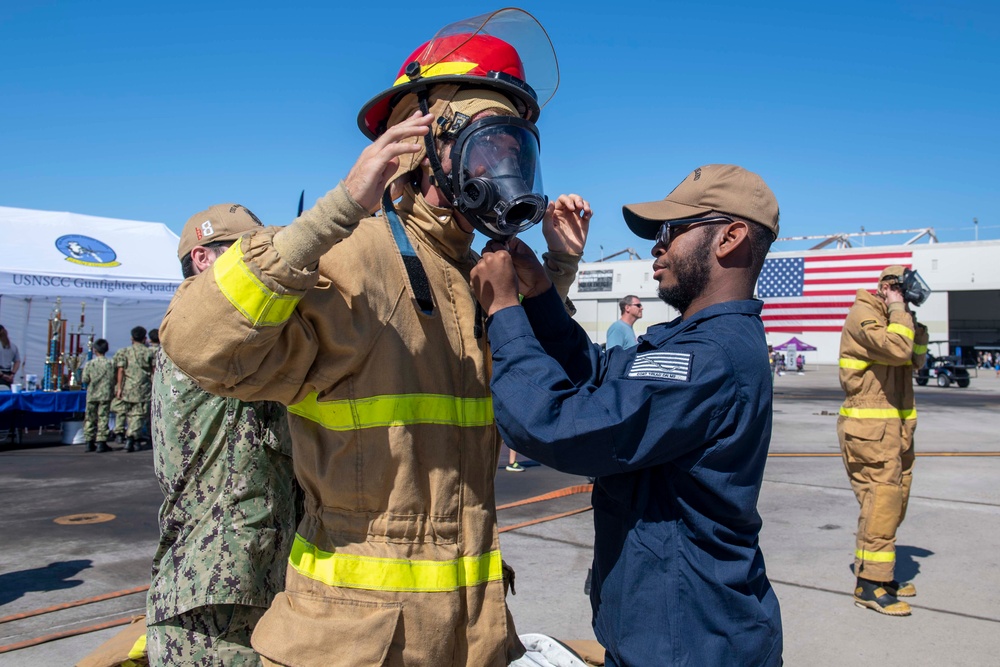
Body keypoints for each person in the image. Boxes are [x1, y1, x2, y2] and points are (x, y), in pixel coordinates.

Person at [159, 10, 587, 665]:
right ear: (417, 144)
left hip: (471, 638)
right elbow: (197, 345)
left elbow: (535, 381)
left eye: (514, 149)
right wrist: (334, 213)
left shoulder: (474, 273)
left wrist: (557, 269)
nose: (503, 167)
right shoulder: (351, 256)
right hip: (351, 646)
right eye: (485, 144)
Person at [470, 164, 783, 666]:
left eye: (671, 233)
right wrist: (543, 297)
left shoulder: (708, 358)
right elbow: (600, 377)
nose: (658, 248)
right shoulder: (693, 342)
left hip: (688, 647)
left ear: (730, 237)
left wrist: (504, 309)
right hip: (669, 635)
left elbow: (556, 424)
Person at [146, 204, 296, 666]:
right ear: (202, 259)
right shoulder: (213, 338)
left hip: (244, 583)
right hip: (214, 599)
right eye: (242, 253)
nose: (256, 264)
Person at [837, 264, 928, 616]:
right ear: (888, 288)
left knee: (893, 503)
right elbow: (898, 350)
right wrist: (897, 309)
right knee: (881, 503)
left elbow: (916, 358)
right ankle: (869, 586)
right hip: (869, 430)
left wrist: (910, 319)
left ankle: (880, 574)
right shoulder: (863, 315)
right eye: (901, 292)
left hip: (898, 429)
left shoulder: (896, 317)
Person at [115, 326, 155, 452]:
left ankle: (133, 438)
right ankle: (132, 437)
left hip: (128, 387)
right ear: (144, 338)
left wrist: (119, 387)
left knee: (131, 414)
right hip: (143, 387)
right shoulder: (149, 352)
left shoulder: (125, 352)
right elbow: (153, 371)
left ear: (132, 338)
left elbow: (121, 370)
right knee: (139, 414)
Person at [80, 339, 114, 453]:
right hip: (105, 394)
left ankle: (89, 441)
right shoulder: (110, 363)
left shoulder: (90, 364)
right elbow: (113, 378)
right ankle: (101, 441)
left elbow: (85, 379)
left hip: (92, 394)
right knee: (103, 418)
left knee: (90, 417)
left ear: (95, 350)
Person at [0, 324, 20, 389]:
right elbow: (17, 361)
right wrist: (12, 374)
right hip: (9, 376)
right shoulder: (13, 346)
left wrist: (3, 375)